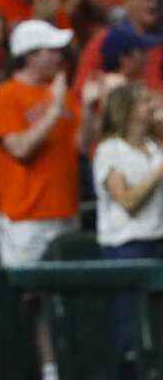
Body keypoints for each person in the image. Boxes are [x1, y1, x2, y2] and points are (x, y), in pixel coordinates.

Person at [0, 19, 95, 380]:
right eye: (50, 50)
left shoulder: (61, 92)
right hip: (26, 218)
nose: (58, 57)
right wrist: (54, 108)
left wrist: (90, 109)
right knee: (32, 300)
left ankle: (63, 370)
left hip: (65, 211)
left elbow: (82, 146)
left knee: (65, 300)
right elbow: (21, 148)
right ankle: (41, 371)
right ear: (29, 55)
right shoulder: (7, 95)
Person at [92, 83, 163, 376]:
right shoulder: (109, 150)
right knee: (129, 332)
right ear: (129, 110)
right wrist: (159, 172)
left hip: (158, 242)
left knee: (157, 328)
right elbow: (127, 200)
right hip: (126, 249)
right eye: (144, 102)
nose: (150, 107)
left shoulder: (153, 147)